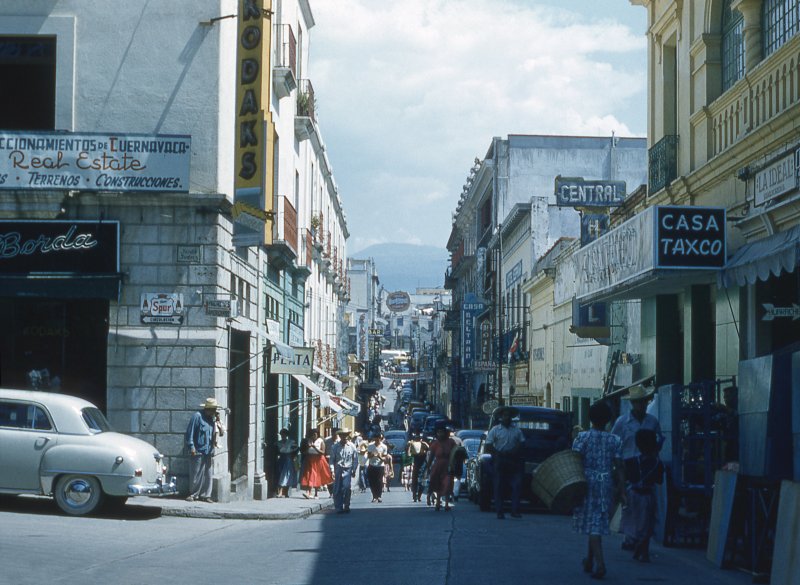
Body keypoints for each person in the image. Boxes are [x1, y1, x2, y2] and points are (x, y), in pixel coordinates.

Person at [573, 400, 625, 580]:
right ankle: (589, 560)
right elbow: (619, 467)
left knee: (592, 522)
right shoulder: (615, 440)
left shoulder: (582, 438)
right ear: (608, 420)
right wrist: (622, 489)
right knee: (595, 520)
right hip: (606, 483)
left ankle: (600, 564)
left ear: (590, 418)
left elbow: (575, 461)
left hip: (586, 482)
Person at [611, 384, 663, 550]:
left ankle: (642, 537)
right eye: (638, 402)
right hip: (628, 467)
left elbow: (660, 440)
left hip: (647, 467)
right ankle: (630, 536)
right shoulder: (622, 422)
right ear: (632, 403)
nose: (641, 405)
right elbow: (615, 444)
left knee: (647, 504)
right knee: (629, 504)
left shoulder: (652, 422)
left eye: (644, 402)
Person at [623, 429, 664, 563]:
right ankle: (644, 550)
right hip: (648, 495)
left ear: (638, 444)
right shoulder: (658, 463)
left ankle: (637, 545)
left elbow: (627, 477)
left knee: (635, 523)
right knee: (648, 524)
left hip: (632, 494)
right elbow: (659, 481)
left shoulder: (630, 461)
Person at [485, 405, 525, 519]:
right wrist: (498, 453)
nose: (507, 418)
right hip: (500, 460)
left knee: (516, 485)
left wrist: (513, 451)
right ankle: (500, 511)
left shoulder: (516, 430)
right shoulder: (495, 430)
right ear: (501, 417)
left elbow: (521, 443)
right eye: (504, 415)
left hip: (513, 460)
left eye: (509, 416)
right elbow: (488, 445)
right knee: (499, 486)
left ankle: (515, 510)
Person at [185, 397, 223, 502]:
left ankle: (206, 495)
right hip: (198, 450)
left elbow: (220, 433)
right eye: (213, 409)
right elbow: (190, 433)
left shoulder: (212, 419)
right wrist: (191, 446)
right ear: (208, 409)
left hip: (208, 450)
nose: (215, 412)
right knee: (196, 474)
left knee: (208, 474)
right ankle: (193, 494)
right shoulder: (197, 417)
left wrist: (218, 422)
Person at [426, 421, 458, 511]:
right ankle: (438, 503)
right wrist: (428, 467)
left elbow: (456, 452)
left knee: (448, 484)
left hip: (448, 466)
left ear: (445, 432)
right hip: (438, 466)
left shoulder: (451, 442)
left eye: (442, 432)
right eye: (438, 432)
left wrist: (455, 465)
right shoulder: (435, 444)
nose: (440, 434)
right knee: (437, 484)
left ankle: (447, 504)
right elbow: (431, 457)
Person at [330, 428, 358, 513]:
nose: (344, 437)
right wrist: (332, 471)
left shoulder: (352, 446)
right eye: (342, 435)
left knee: (346, 487)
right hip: (338, 468)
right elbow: (331, 460)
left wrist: (354, 469)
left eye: (346, 435)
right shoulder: (335, 447)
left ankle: (346, 504)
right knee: (337, 488)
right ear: (340, 436)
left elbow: (355, 459)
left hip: (348, 469)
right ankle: (338, 506)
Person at [300, 428, 333, 499]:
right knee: (310, 475)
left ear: (317, 434)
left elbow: (323, 452)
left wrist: (315, 448)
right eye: (312, 434)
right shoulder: (309, 441)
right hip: (310, 459)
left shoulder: (321, 441)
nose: (314, 436)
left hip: (319, 460)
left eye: (315, 434)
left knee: (318, 476)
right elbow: (305, 451)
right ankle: (309, 492)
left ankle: (316, 493)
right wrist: (308, 449)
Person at [407, 431, 429, 502]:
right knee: (415, 481)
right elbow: (409, 454)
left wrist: (424, 443)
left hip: (423, 467)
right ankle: (415, 495)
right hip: (416, 466)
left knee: (422, 482)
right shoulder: (413, 447)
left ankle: (418, 496)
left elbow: (429, 449)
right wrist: (410, 445)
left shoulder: (424, 446)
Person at [275, 428, 298, 498]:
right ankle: (281, 491)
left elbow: (296, 450)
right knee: (281, 474)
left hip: (288, 459)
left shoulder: (291, 442)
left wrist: (293, 457)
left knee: (286, 475)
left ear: (287, 435)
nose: (283, 436)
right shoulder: (278, 443)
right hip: (281, 459)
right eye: (282, 434)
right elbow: (276, 451)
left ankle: (285, 492)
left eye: (284, 434)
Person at [366, 433, 388, 502]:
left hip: (380, 466)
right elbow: (368, 456)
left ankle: (379, 496)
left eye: (378, 438)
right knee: (372, 482)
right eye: (376, 438)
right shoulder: (370, 446)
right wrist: (372, 455)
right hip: (372, 465)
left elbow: (385, 459)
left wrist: (380, 457)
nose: (377, 440)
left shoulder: (384, 447)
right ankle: (374, 496)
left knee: (379, 481)